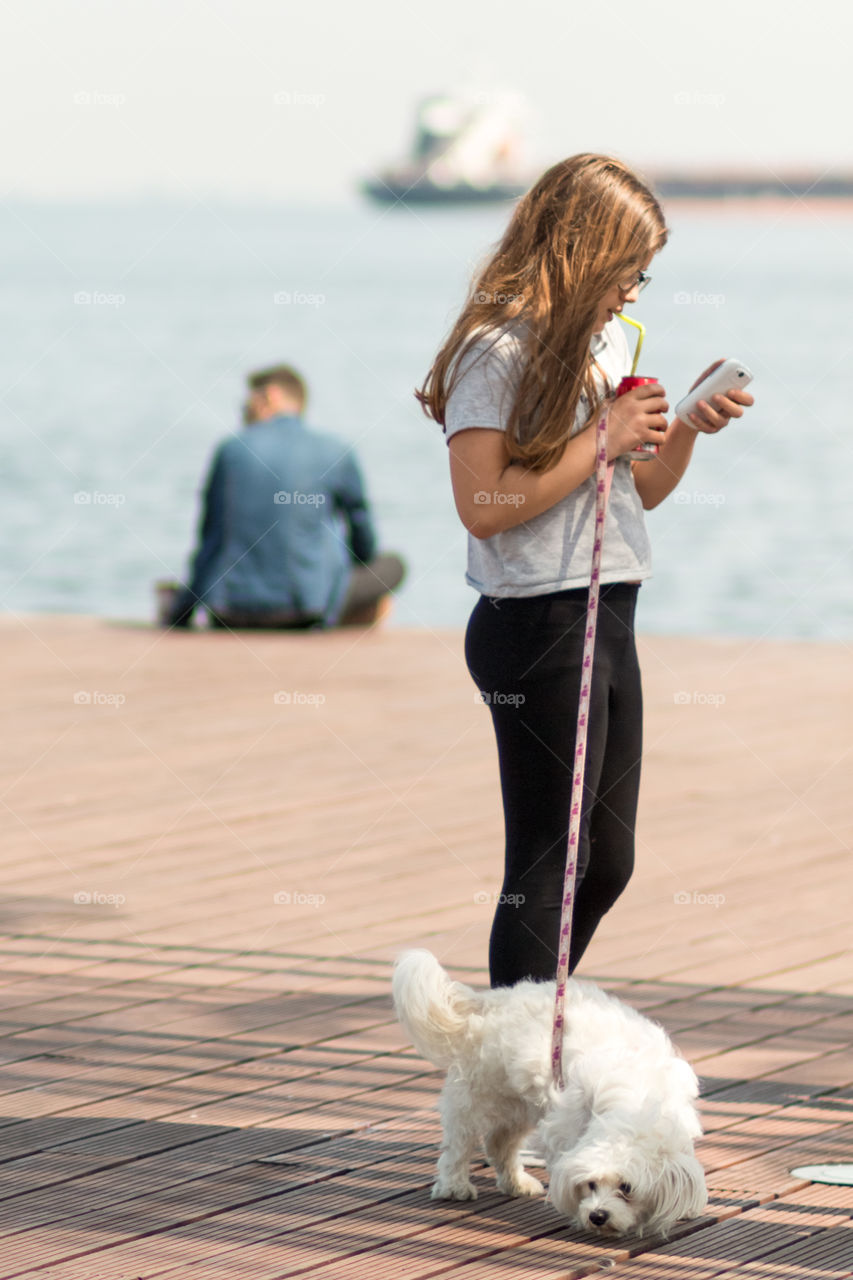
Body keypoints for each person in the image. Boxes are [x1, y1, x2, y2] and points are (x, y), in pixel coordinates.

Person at [416, 154, 754, 988]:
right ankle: (520, 1061)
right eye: (628, 271)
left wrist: (681, 431)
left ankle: (528, 1028)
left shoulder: (594, 351)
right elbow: (485, 504)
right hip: (536, 621)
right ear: (581, 253)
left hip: (608, 613)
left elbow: (636, 492)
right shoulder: (494, 353)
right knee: (547, 863)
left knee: (605, 863)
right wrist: (600, 435)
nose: (634, 292)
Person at [165, 364, 405, 629]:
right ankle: (339, 621)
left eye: (248, 401)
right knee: (393, 566)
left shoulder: (231, 450)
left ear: (270, 397)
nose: (243, 410)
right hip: (306, 611)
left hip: (231, 612)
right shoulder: (336, 451)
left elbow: (210, 543)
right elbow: (364, 546)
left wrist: (180, 612)